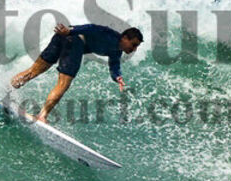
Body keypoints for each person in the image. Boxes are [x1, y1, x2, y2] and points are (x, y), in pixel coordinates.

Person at [11, 23, 143, 123]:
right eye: (133, 44)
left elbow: (114, 65)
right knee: (63, 84)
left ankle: (8, 88)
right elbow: (92, 28)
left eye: (136, 46)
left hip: (64, 36)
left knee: (34, 71)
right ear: (125, 38)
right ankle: (42, 116)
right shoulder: (110, 35)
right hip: (73, 40)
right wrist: (71, 31)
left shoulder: (116, 51)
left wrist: (117, 77)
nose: (134, 49)